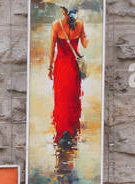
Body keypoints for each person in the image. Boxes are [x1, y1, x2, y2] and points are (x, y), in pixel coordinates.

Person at [48, 6, 88, 142]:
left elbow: (52, 50)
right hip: (74, 66)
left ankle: (63, 130)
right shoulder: (80, 24)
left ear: (64, 12)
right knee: (72, 96)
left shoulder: (56, 25)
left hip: (61, 66)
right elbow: (85, 44)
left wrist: (49, 68)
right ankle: (71, 130)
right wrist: (84, 34)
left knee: (61, 97)